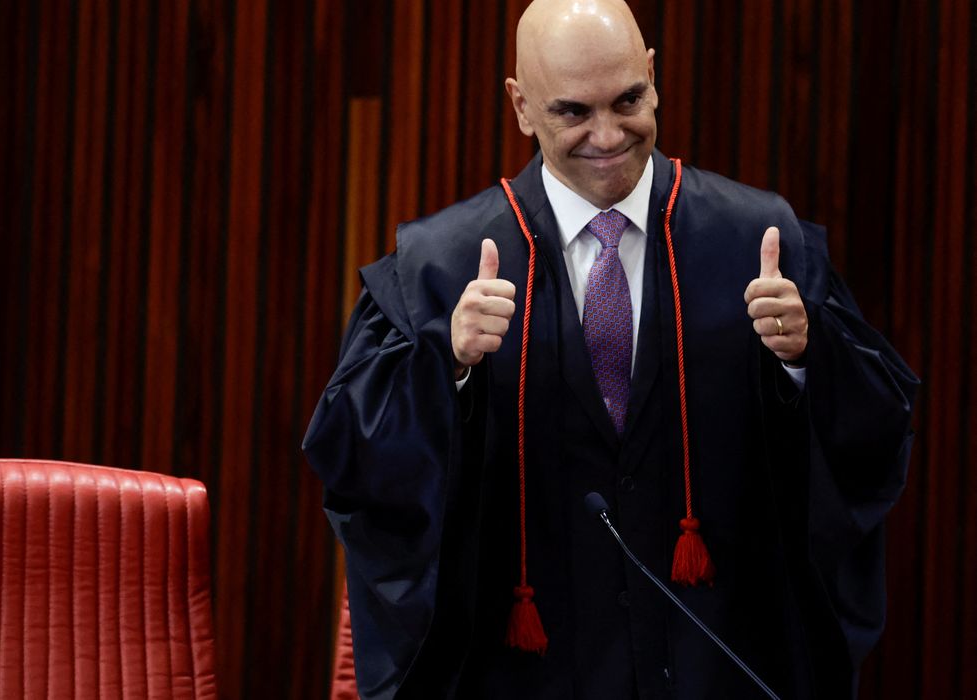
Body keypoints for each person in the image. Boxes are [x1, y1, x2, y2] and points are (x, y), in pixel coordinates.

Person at [303, 0, 918, 697]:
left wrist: (805, 362)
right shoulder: (438, 271)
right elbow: (361, 475)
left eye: (629, 99)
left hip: (715, 664)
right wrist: (443, 370)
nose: (608, 134)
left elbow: (868, 447)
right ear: (521, 107)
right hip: (520, 675)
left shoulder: (757, 242)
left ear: (653, 75)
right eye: (573, 112)